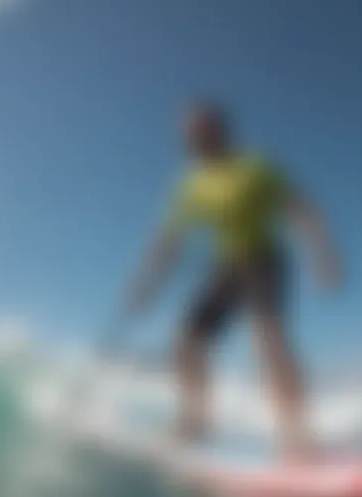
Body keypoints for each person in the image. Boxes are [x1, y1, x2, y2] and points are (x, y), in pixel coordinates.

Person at [123, 101, 342, 462]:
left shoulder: (255, 165)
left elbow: (300, 208)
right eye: (187, 133)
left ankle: (298, 436)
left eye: (198, 130)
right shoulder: (191, 183)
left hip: (263, 260)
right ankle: (196, 422)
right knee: (186, 341)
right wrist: (145, 282)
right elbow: (169, 238)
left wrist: (323, 255)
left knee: (268, 338)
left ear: (219, 130)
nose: (191, 138)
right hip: (224, 267)